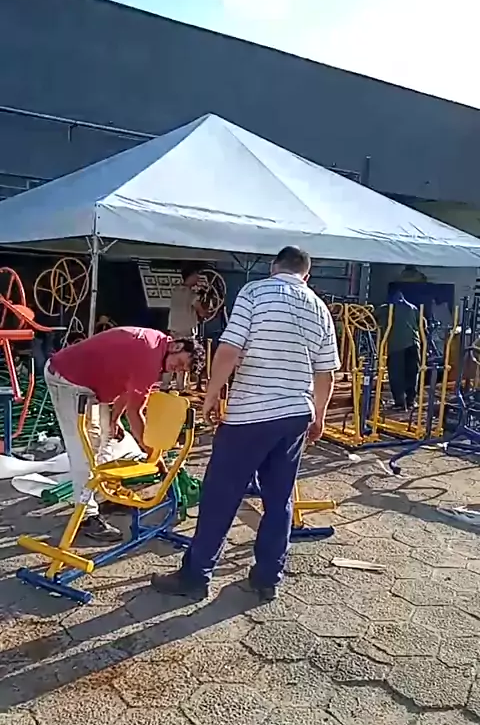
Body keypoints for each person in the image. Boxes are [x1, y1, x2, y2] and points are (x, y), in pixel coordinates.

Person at [151, 245, 341, 602]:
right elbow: (326, 373)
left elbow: (229, 350)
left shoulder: (255, 292)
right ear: (307, 275)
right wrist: (319, 415)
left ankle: (196, 576)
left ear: (273, 267)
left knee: (221, 495)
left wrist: (211, 395)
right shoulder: (319, 307)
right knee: (279, 498)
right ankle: (268, 578)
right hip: (295, 414)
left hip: (251, 414)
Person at [45, 327, 204, 543]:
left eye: (183, 369)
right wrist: (153, 453)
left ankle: (102, 493)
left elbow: (128, 388)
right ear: (176, 346)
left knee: (104, 439)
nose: (177, 370)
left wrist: (115, 418)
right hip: (67, 378)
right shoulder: (149, 356)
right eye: (181, 363)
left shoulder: (156, 345)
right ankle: (86, 517)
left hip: (88, 383)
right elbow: (135, 412)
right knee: (82, 447)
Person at [162, 266, 211, 393]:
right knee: (184, 358)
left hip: (173, 329)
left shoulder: (176, 291)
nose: (198, 278)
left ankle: (164, 386)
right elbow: (202, 312)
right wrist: (206, 302)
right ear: (190, 276)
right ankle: (180, 388)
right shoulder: (191, 294)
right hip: (186, 331)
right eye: (196, 276)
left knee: (170, 355)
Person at [375, 291, 421, 411]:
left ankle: (400, 402)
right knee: (412, 373)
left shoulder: (386, 308)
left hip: (396, 346)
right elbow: (422, 324)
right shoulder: (413, 308)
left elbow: (374, 317)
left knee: (396, 374)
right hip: (414, 344)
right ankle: (411, 401)